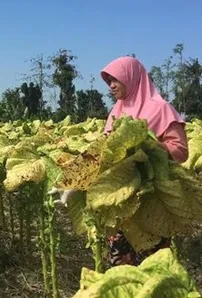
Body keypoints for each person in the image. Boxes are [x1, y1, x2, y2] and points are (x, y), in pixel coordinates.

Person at [50, 56, 188, 266]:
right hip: (118, 200)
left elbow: (181, 150)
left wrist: (146, 145)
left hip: (150, 198)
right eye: (109, 81)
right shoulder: (116, 110)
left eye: (116, 80)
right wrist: (72, 183)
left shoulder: (160, 108)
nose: (111, 86)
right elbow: (103, 153)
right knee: (121, 267)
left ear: (131, 78)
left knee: (152, 266)